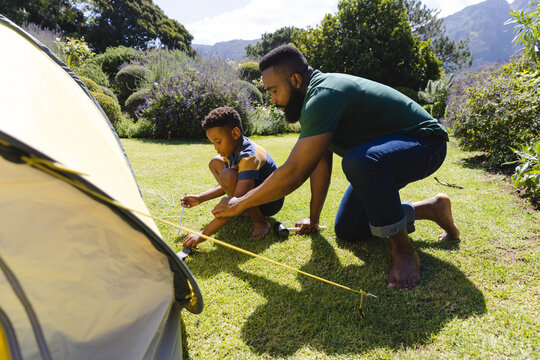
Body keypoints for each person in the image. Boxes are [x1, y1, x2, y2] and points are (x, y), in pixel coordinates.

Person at [212, 45, 460, 290]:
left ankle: (403, 249)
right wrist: (314, 217)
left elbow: (294, 172)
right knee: (348, 229)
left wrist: (240, 202)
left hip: (425, 143)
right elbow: (319, 160)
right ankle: (433, 208)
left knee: (358, 161)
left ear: (296, 79)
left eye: (274, 90)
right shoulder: (314, 99)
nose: (273, 99)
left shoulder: (323, 95)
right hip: (381, 158)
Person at [181, 106, 284, 248]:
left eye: (218, 142)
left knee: (228, 175)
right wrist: (200, 198)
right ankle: (244, 212)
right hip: (250, 195)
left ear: (235, 134)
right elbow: (229, 185)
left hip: (270, 202)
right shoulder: (234, 148)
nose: (216, 148)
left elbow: (237, 198)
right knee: (216, 163)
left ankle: (260, 222)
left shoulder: (248, 157)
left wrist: (202, 234)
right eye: (213, 143)